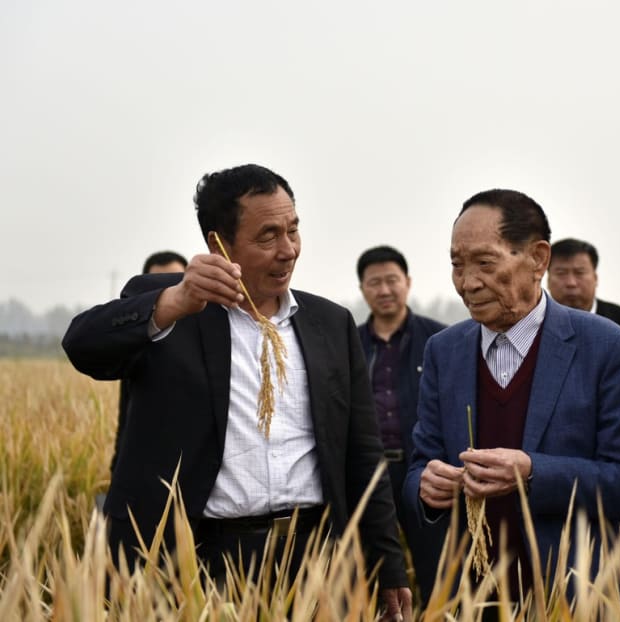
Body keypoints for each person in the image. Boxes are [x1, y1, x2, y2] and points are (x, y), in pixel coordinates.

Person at [63, 164, 411, 620]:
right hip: (203, 560)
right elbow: (82, 346)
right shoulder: (174, 305)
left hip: (315, 559)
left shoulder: (329, 323)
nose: (288, 251)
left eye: (293, 230)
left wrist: (388, 565)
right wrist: (171, 303)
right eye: (268, 236)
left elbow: (364, 454)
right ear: (218, 245)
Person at [402, 189, 620, 610]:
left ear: (538, 258)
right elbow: (420, 463)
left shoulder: (609, 348)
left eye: (485, 263)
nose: (468, 282)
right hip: (476, 600)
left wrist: (531, 473)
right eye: (457, 264)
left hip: (583, 599)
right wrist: (425, 487)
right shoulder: (443, 351)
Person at [356, 245, 446, 604]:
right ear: (362, 289)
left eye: (392, 280)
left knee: (436, 561)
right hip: (370, 473)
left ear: (407, 283)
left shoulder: (438, 340)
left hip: (423, 470)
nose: (384, 290)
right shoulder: (350, 343)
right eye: (374, 282)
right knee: (373, 566)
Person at [547, 238, 620, 406]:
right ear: (548, 279)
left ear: (595, 278)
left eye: (579, 273)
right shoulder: (532, 325)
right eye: (561, 273)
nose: (571, 283)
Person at [110, 251, 189, 476]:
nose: (169, 290)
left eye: (176, 282)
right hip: (148, 476)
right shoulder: (135, 346)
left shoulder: (210, 339)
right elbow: (127, 417)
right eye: (158, 285)